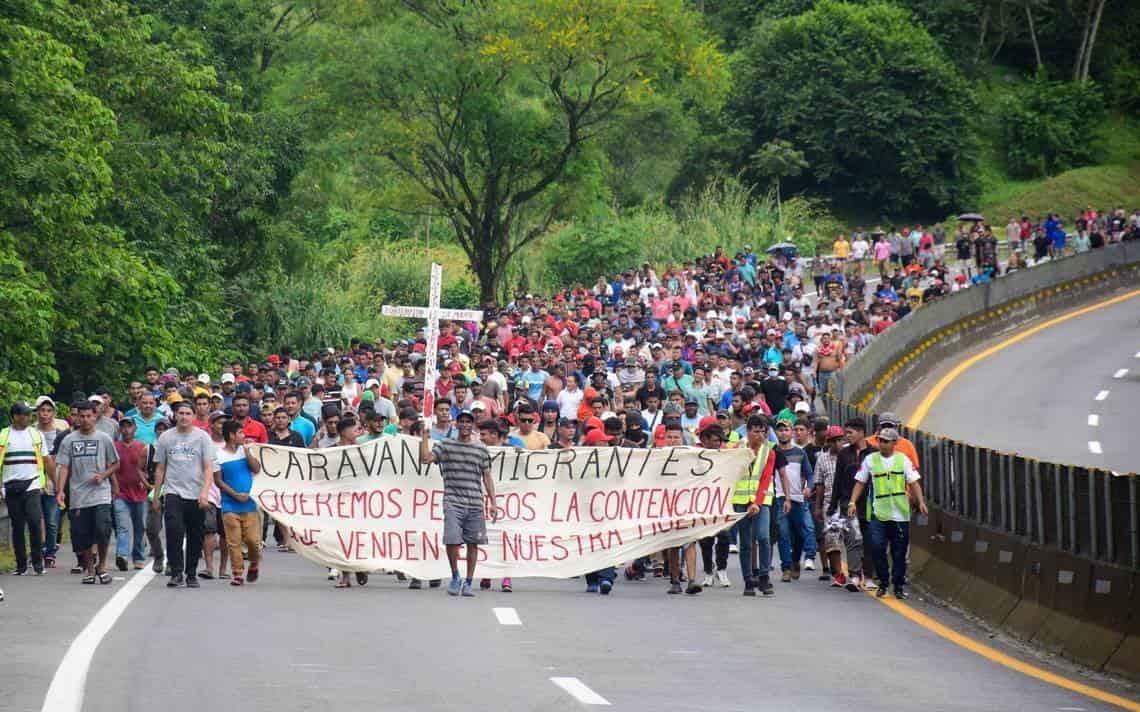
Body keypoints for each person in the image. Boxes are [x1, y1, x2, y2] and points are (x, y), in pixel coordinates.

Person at [419, 409, 500, 597]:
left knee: (473, 543)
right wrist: (424, 436)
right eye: (461, 421)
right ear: (456, 424)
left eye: (468, 422)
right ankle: (455, 576)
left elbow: (487, 477)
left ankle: (469, 582)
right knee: (452, 540)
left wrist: (493, 503)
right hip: (452, 501)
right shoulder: (445, 445)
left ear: (472, 425)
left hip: (475, 502)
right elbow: (426, 459)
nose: (464, 425)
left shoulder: (480, 448)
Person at [847, 427, 928, 599]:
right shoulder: (870, 460)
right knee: (876, 547)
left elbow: (914, 483)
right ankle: (883, 582)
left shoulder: (903, 460)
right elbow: (860, 482)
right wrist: (852, 502)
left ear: (894, 443)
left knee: (899, 552)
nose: (881, 444)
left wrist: (920, 502)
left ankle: (897, 585)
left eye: (885, 441)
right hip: (879, 513)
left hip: (900, 514)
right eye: (880, 441)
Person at [56, 401, 119, 585]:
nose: (85, 420)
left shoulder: (104, 438)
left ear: (95, 416)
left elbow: (115, 463)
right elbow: (64, 467)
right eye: (81, 416)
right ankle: (90, 570)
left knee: (102, 528)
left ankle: (103, 566)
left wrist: (104, 475)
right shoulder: (69, 440)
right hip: (78, 495)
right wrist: (60, 490)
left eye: (88, 416)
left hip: (101, 493)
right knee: (82, 534)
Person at [153, 401, 215, 588]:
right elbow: (160, 468)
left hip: (196, 494)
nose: (184, 417)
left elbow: (208, 467)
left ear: (194, 416)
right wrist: (157, 496)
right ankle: (176, 571)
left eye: (188, 413)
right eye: (181, 413)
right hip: (173, 492)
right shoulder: (166, 437)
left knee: (195, 535)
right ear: (175, 415)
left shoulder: (202, 437)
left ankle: (191, 573)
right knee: (174, 532)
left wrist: (205, 492)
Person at [737, 415, 791, 596]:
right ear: (748, 431)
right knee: (745, 542)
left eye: (763, 431)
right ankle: (748, 579)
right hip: (740, 500)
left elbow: (766, 478)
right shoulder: (737, 449)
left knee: (763, 537)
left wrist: (757, 503)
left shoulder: (770, 451)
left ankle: (764, 576)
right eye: (756, 431)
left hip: (762, 501)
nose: (760, 435)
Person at [1, 402, 48, 575]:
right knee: (17, 526)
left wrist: (52, 481)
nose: (27, 418)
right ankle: (21, 564)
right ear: (14, 416)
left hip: (33, 482)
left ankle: (37, 562)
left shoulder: (36, 435)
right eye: (24, 415)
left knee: (35, 522)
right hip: (11, 485)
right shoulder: (4, 436)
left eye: (29, 415)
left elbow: (46, 459)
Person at [214, 420, 262, 587]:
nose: (244, 436)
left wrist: (247, 452)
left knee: (252, 541)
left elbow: (256, 469)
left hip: (249, 503)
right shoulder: (218, 455)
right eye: (240, 433)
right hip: (229, 504)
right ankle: (238, 573)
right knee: (233, 541)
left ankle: (254, 562)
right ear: (231, 435)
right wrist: (235, 494)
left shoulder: (245, 450)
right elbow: (218, 480)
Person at [113, 417, 150, 571]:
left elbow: (148, 468)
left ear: (135, 428)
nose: (126, 430)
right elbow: (111, 467)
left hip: (140, 493)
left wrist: (146, 480)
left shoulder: (143, 447)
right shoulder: (114, 447)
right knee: (122, 526)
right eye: (123, 427)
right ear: (120, 429)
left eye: (129, 426)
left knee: (140, 526)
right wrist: (114, 486)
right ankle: (122, 555)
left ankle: (139, 556)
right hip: (121, 493)